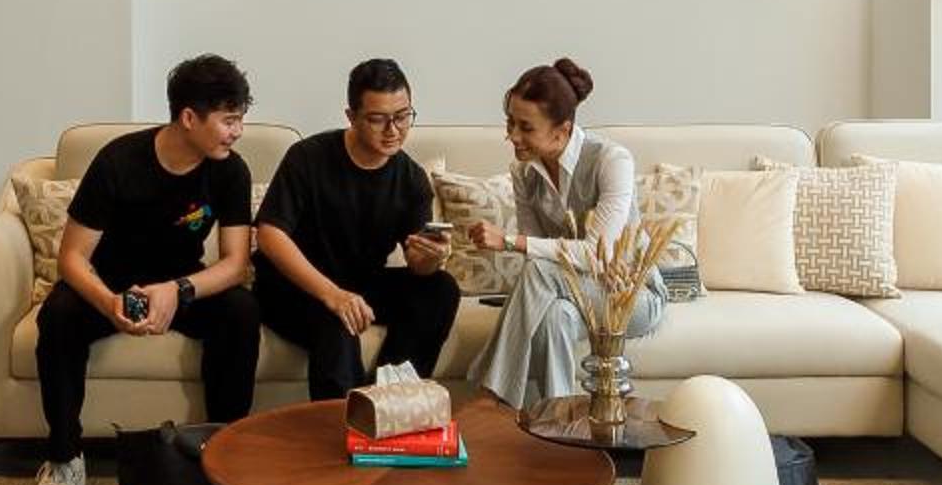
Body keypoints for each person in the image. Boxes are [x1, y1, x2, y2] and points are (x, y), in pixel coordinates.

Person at [30, 54, 265, 485]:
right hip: (111, 282)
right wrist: (109, 302)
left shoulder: (230, 171)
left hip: (182, 282)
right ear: (189, 117)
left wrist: (177, 291)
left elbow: (236, 264)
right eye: (228, 120)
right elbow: (72, 257)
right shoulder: (118, 161)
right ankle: (63, 459)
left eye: (240, 119)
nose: (237, 131)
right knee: (57, 316)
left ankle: (223, 453)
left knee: (241, 311)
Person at [465, 57, 667, 410]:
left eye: (526, 127)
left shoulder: (611, 160)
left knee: (538, 272)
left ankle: (490, 394)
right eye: (510, 122)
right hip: (569, 290)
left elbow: (592, 253)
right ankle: (558, 419)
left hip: (629, 294)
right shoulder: (524, 172)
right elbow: (538, 253)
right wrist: (537, 250)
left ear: (562, 131)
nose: (513, 136)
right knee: (554, 317)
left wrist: (509, 241)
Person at [253, 59, 460, 402]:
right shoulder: (309, 157)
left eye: (403, 116)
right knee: (337, 320)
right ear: (351, 116)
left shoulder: (411, 179)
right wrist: (332, 295)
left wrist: (431, 258)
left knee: (440, 289)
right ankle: (341, 423)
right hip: (293, 286)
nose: (393, 130)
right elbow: (270, 234)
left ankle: (391, 398)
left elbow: (418, 265)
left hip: (359, 283)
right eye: (378, 119)